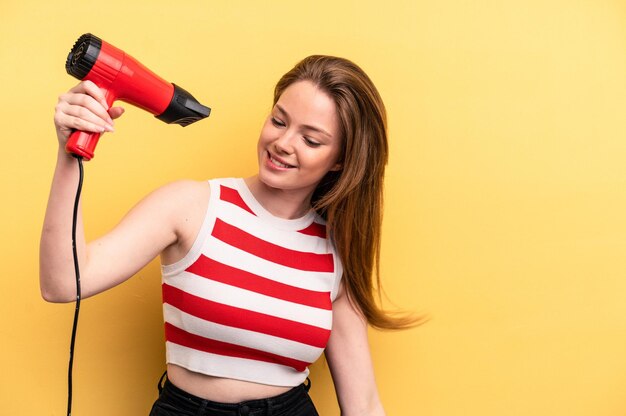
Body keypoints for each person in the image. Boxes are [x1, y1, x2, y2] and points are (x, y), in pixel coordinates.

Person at [41, 55, 420, 416]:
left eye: (311, 140)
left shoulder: (336, 251)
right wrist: (68, 154)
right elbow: (62, 283)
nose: (283, 143)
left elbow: (364, 406)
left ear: (340, 159)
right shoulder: (191, 206)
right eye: (279, 120)